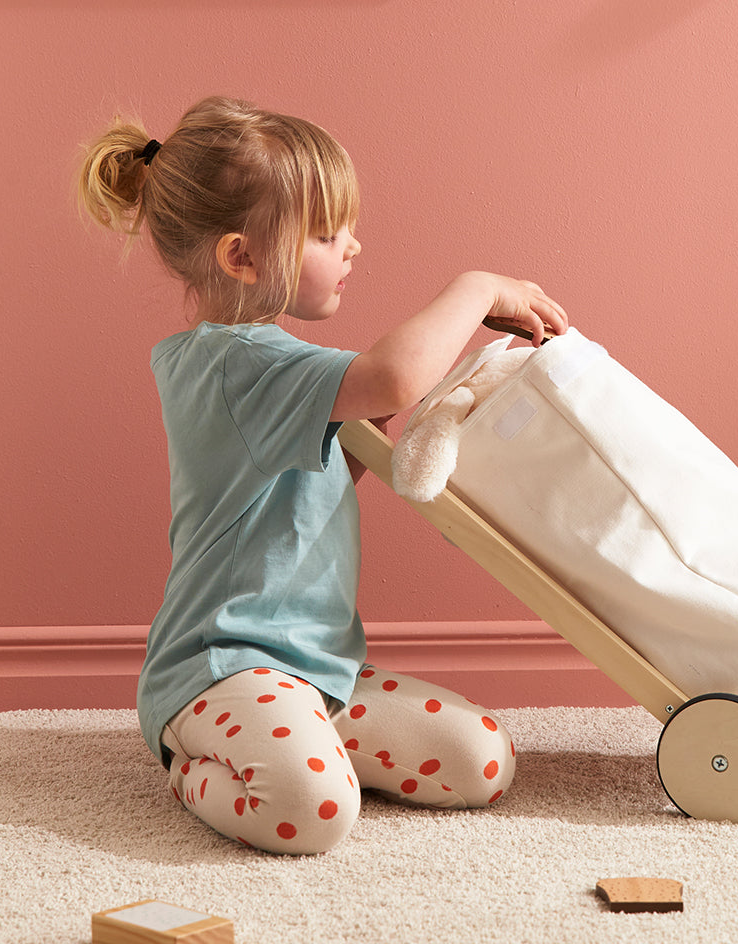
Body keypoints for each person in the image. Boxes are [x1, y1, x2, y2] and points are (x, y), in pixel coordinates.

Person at [76, 95, 568, 854]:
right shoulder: (238, 364)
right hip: (224, 664)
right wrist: (476, 289)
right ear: (241, 257)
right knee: (311, 816)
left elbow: (333, 468)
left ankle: (308, 740)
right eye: (326, 233)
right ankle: (189, 760)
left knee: (483, 761)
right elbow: (394, 376)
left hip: (317, 666)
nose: (353, 247)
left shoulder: (264, 364)